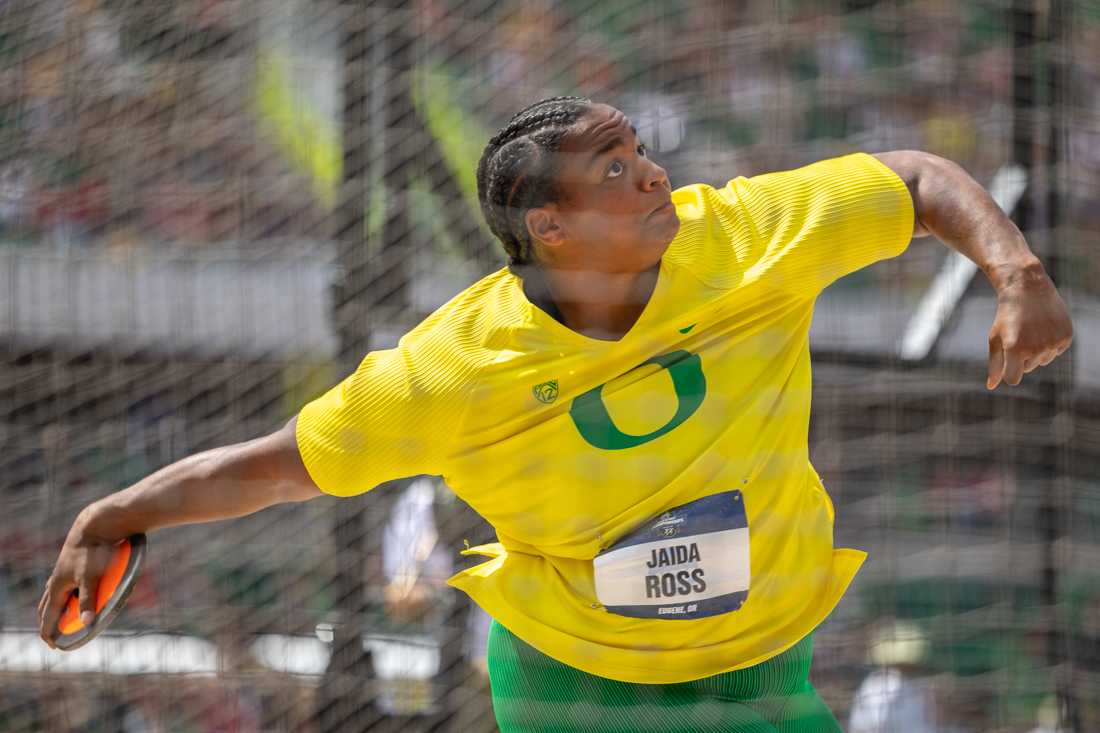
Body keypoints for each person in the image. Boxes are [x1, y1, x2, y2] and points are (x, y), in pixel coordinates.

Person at [38, 96, 1073, 732]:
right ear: (552, 227)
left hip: (760, 666)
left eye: (639, 151)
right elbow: (282, 463)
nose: (654, 172)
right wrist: (113, 515)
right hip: (580, 687)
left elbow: (912, 177)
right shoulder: (452, 367)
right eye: (615, 170)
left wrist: (1015, 268)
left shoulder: (742, 235)